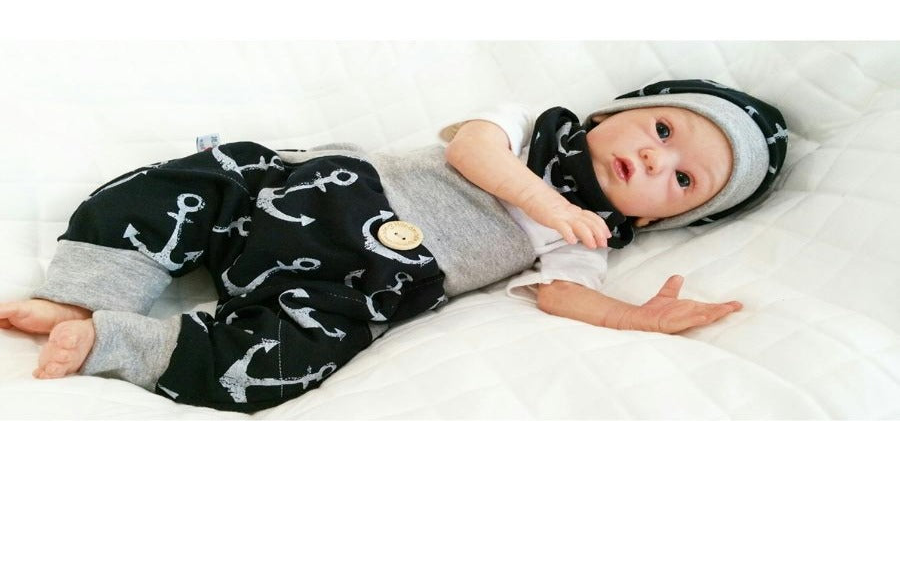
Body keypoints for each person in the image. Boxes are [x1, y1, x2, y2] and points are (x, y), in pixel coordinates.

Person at [0, 79, 788, 412]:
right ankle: (89, 290)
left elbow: (562, 292)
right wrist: (544, 198)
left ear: (663, 221)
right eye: (663, 130)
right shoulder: (525, 129)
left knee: (289, 362)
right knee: (194, 182)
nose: (654, 158)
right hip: (318, 193)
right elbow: (470, 151)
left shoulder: (586, 237)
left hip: (367, 279)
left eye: (683, 180)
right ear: (613, 113)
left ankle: (120, 343)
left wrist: (636, 317)